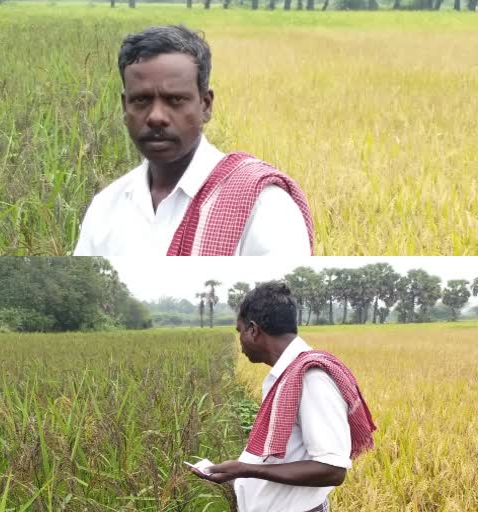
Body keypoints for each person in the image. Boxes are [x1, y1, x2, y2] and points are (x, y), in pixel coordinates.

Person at [74, 25, 314, 256]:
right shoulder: (105, 208)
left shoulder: (265, 207)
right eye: (141, 100)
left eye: (175, 100)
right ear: (125, 107)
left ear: (206, 105)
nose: (156, 117)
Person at [189, 282, 375, 512]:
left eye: (240, 332)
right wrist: (240, 473)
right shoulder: (289, 375)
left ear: (254, 330)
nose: (240, 343)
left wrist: (245, 469)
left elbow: (332, 470)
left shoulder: (310, 378)